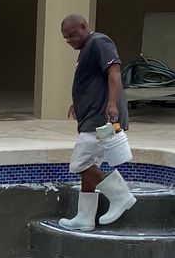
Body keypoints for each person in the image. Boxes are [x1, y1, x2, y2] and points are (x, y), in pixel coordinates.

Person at [58, 13, 136, 230]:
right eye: (66, 38)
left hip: (101, 121)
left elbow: (114, 72)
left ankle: (121, 196)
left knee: (80, 163)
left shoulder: (99, 42)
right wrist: (78, 103)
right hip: (99, 120)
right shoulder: (87, 48)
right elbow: (92, 81)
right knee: (91, 162)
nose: (70, 41)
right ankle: (85, 217)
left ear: (84, 26)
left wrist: (112, 104)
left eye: (72, 35)